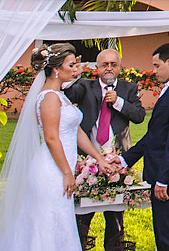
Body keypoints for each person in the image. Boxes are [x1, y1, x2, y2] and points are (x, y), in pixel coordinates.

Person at [0, 43, 118, 251]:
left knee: (59, 223)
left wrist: (99, 158)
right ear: (55, 69)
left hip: (60, 168)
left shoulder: (60, 95)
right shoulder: (49, 98)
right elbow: (52, 139)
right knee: (47, 224)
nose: (74, 69)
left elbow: (76, 132)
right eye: (70, 65)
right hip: (52, 171)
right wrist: (67, 173)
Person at [65, 48, 147, 251]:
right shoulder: (85, 86)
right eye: (104, 65)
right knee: (82, 216)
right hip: (87, 160)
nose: (109, 68)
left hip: (117, 161)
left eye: (113, 64)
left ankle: (115, 246)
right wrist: (74, 73)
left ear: (119, 67)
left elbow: (139, 116)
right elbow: (66, 93)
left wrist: (118, 102)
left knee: (115, 218)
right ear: (97, 68)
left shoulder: (129, 88)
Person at [121, 43, 169, 251]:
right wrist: (124, 160)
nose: (154, 71)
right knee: (164, 233)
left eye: (156, 66)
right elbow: (155, 135)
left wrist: (163, 179)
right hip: (165, 173)